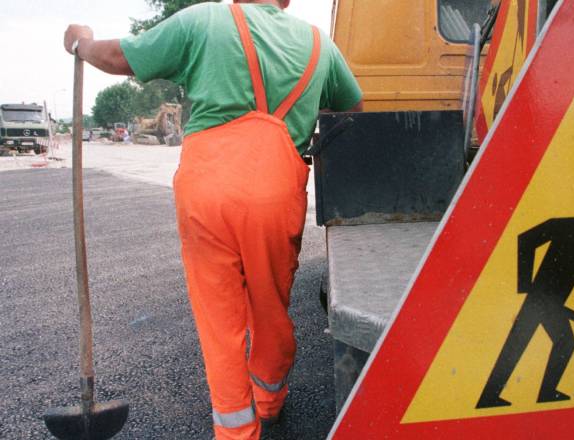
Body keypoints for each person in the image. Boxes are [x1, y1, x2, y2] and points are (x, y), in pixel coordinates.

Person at [63, 1, 362, 438]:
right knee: (270, 308)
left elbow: (116, 56)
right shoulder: (319, 44)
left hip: (206, 189)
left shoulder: (203, 20)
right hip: (276, 192)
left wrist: (81, 43)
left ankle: (236, 431)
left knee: (219, 322)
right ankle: (270, 401)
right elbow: (353, 109)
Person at [476, 180, 574, 408]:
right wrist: (524, 284)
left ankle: (493, 396)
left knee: (522, 342)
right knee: (559, 343)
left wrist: (526, 284)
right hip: (546, 299)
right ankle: (541, 393)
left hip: (546, 299)